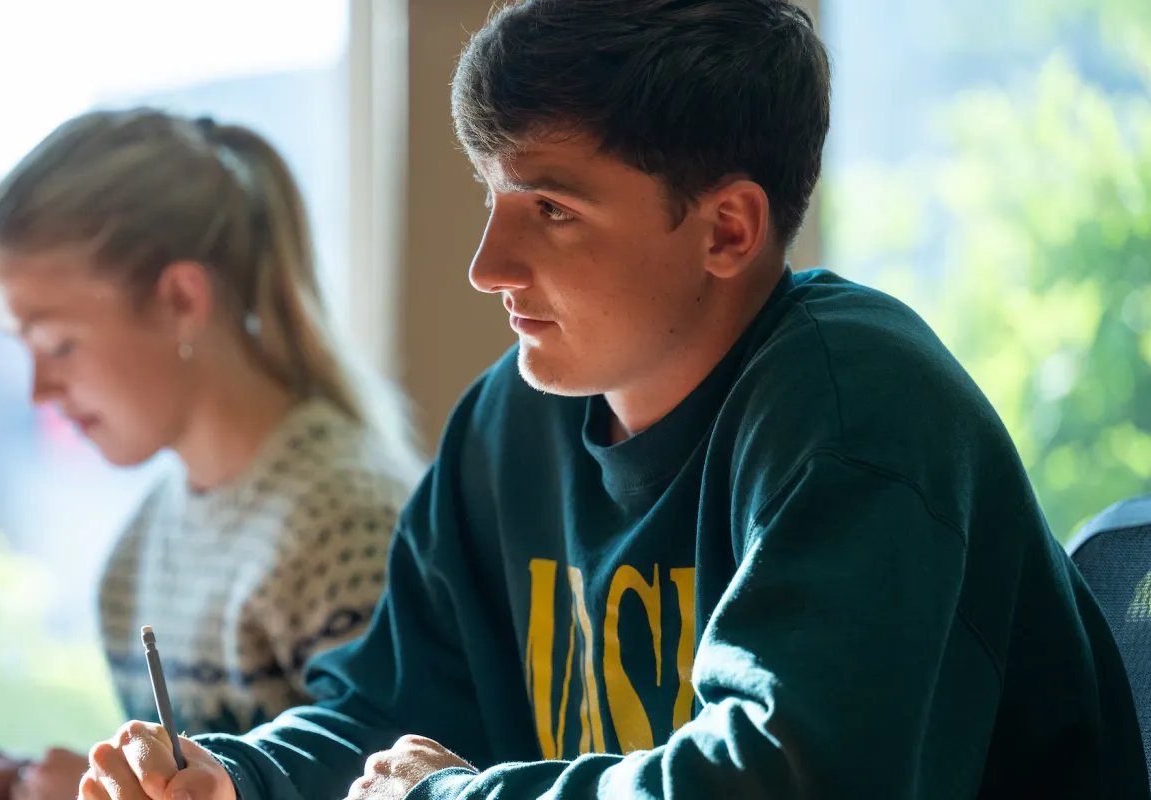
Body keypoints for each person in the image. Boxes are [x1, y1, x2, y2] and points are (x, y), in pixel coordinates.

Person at [73, 1, 1151, 798]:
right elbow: (387, 706)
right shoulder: (513, 419)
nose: (485, 264)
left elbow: (775, 777)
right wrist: (236, 778)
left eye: (548, 209)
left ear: (727, 228)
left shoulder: (857, 413)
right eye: (491, 196)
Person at [0, 108, 424, 800]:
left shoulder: (346, 525)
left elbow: (399, 786)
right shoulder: (140, 552)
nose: (40, 388)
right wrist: (24, 783)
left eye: (59, 345)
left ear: (179, 298)